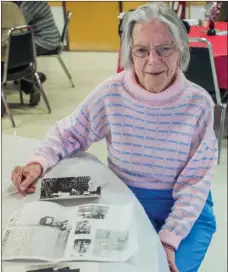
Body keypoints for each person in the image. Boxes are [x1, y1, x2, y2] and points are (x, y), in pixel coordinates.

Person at [11, 3, 218, 271]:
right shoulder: (112, 92)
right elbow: (69, 132)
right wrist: (37, 162)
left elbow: (195, 183)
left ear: (180, 50)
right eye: (141, 50)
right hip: (126, 198)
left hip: (186, 206)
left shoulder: (198, 103)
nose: (153, 61)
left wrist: (167, 241)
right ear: (129, 54)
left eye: (164, 49)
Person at [1, 1, 41, 107]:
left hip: (4, 67)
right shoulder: (14, 7)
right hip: (24, 62)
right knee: (14, 52)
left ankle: (1, 100)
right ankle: (31, 86)